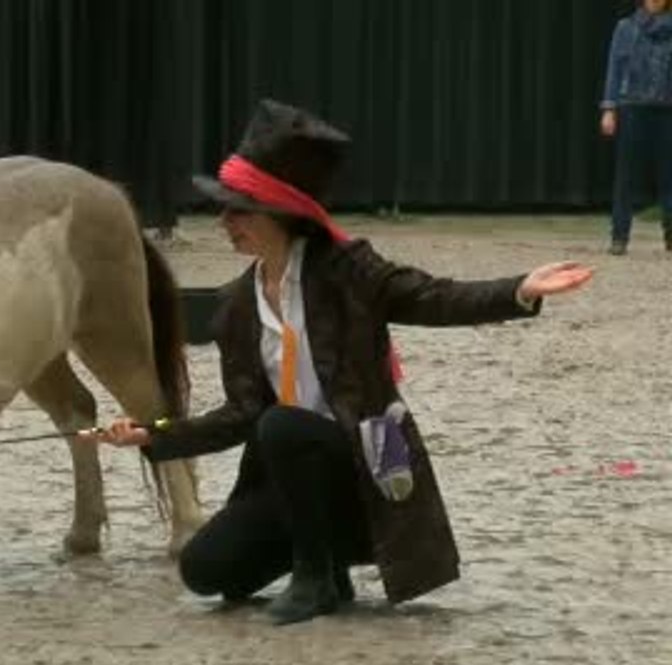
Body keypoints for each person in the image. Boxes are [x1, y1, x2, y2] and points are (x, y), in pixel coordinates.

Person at [91, 99, 594, 625]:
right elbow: (242, 414)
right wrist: (153, 435)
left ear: (279, 211)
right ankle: (320, 562)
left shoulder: (349, 271)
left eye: (238, 209)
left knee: (283, 425)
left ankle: (317, 579)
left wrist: (518, 290)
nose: (225, 222)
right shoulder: (237, 307)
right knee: (206, 570)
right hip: (292, 480)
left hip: (362, 480)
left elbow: (433, 297)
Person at [601, 0, 672, 256]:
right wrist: (609, 109)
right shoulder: (626, 27)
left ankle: (670, 235)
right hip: (632, 107)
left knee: (669, 176)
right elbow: (614, 68)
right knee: (626, 176)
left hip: (668, 109)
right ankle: (619, 236)